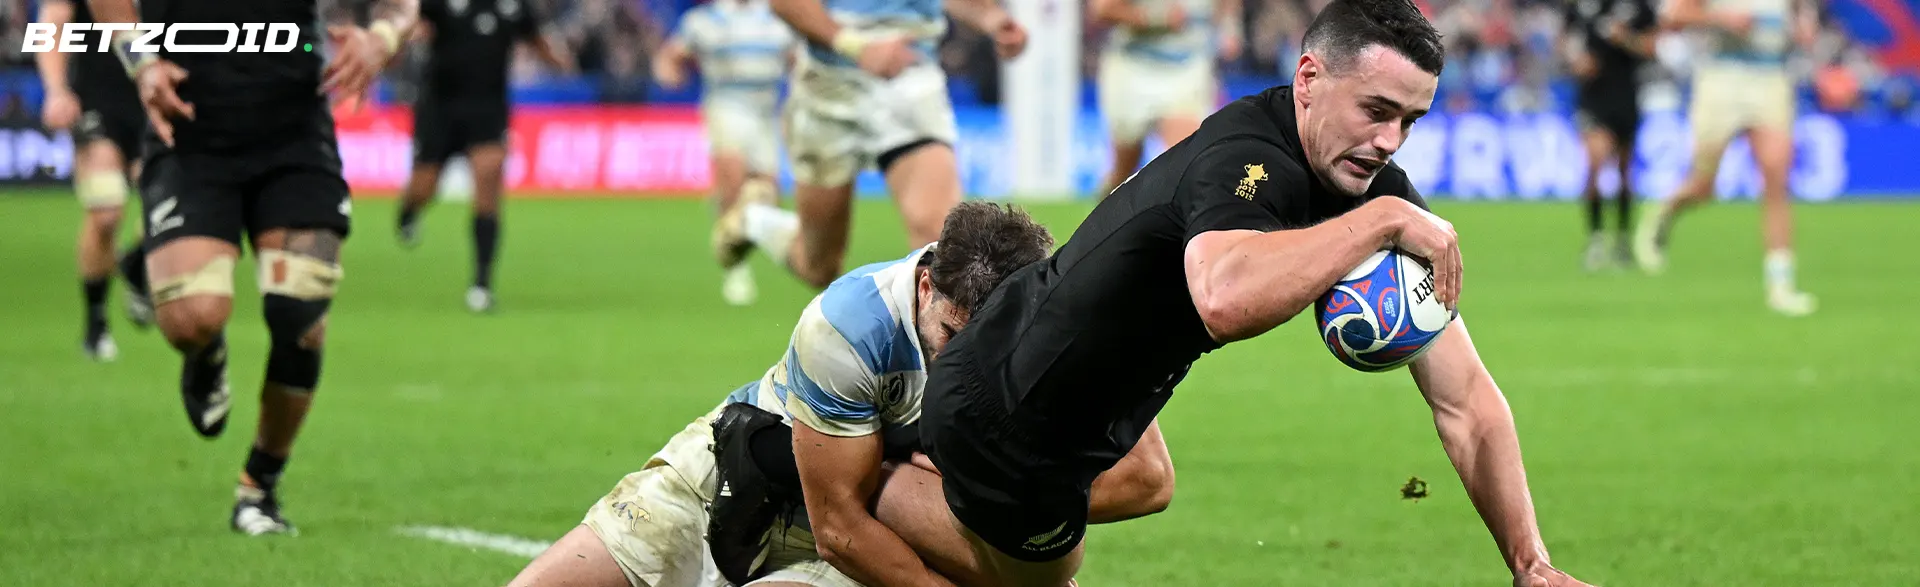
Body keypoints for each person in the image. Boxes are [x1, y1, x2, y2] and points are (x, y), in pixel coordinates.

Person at [911, 1, 1595, 586]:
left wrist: (1530, 562)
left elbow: (1466, 399)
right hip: (1007, 416)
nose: (1390, 141)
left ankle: (893, 480)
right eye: (1376, 110)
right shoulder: (1245, 158)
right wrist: (1377, 223)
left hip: (1086, 416)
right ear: (1309, 79)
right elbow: (1223, 298)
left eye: (1410, 121)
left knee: (1150, 483)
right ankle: (864, 506)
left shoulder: (1370, 187)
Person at [508, 202, 1175, 587]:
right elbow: (837, 526)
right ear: (925, 287)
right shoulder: (849, 325)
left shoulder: (1058, 334)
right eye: (950, 333)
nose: (960, 359)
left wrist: (1005, 496)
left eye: (984, 342)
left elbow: (1146, 480)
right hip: (738, 474)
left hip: (881, 535)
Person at [88, 0, 417, 534]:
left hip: (295, 132)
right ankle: (205, 355)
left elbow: (403, 7)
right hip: (187, 129)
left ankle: (259, 485)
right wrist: (140, 60)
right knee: (193, 319)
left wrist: (383, 36)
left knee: (301, 313)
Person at [711, 0, 1028, 289]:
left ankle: (919, 336)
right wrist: (856, 46)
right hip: (829, 85)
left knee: (942, 246)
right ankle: (755, 218)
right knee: (819, 267)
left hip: (910, 80)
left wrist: (993, 19)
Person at [1633, 0, 1818, 316]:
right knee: (1703, 186)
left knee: (1776, 181)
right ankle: (1664, 212)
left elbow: (1802, 18)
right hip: (1722, 78)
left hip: (1770, 77)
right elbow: (1673, 16)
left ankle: (1781, 287)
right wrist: (1721, 18)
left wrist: (1803, 28)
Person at [395, 0, 572, 313]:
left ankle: (481, 284)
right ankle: (409, 210)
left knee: (488, 190)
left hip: (488, 110)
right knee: (425, 186)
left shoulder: (514, 6)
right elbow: (412, 21)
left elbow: (536, 37)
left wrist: (560, 62)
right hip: (439, 108)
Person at [653, 0, 797, 306]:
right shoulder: (705, 20)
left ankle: (734, 232)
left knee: (766, 193)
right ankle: (735, 268)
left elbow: (796, 60)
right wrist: (670, 74)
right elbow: (671, 55)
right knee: (733, 180)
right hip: (725, 104)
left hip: (766, 110)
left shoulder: (776, 16)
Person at [34, 0, 152, 361]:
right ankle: (96, 323)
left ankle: (137, 264)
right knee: (105, 212)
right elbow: (54, 19)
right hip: (97, 100)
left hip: (159, 99)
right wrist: (56, 90)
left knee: (168, 205)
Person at [1089, 0, 1243, 199]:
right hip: (1134, 66)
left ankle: (1188, 216)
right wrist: (1157, 19)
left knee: (1190, 160)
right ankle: (1105, 210)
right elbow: (1102, 9)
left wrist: (1230, 27)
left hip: (1187, 66)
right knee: (1124, 170)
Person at [1562, 0, 1656, 271]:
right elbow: (1567, 42)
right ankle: (1596, 237)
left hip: (1625, 96)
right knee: (1594, 164)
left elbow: (1650, 48)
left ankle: (1623, 238)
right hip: (1594, 98)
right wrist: (1576, 62)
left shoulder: (1639, 7)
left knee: (1624, 172)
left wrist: (1624, 38)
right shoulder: (1581, 7)